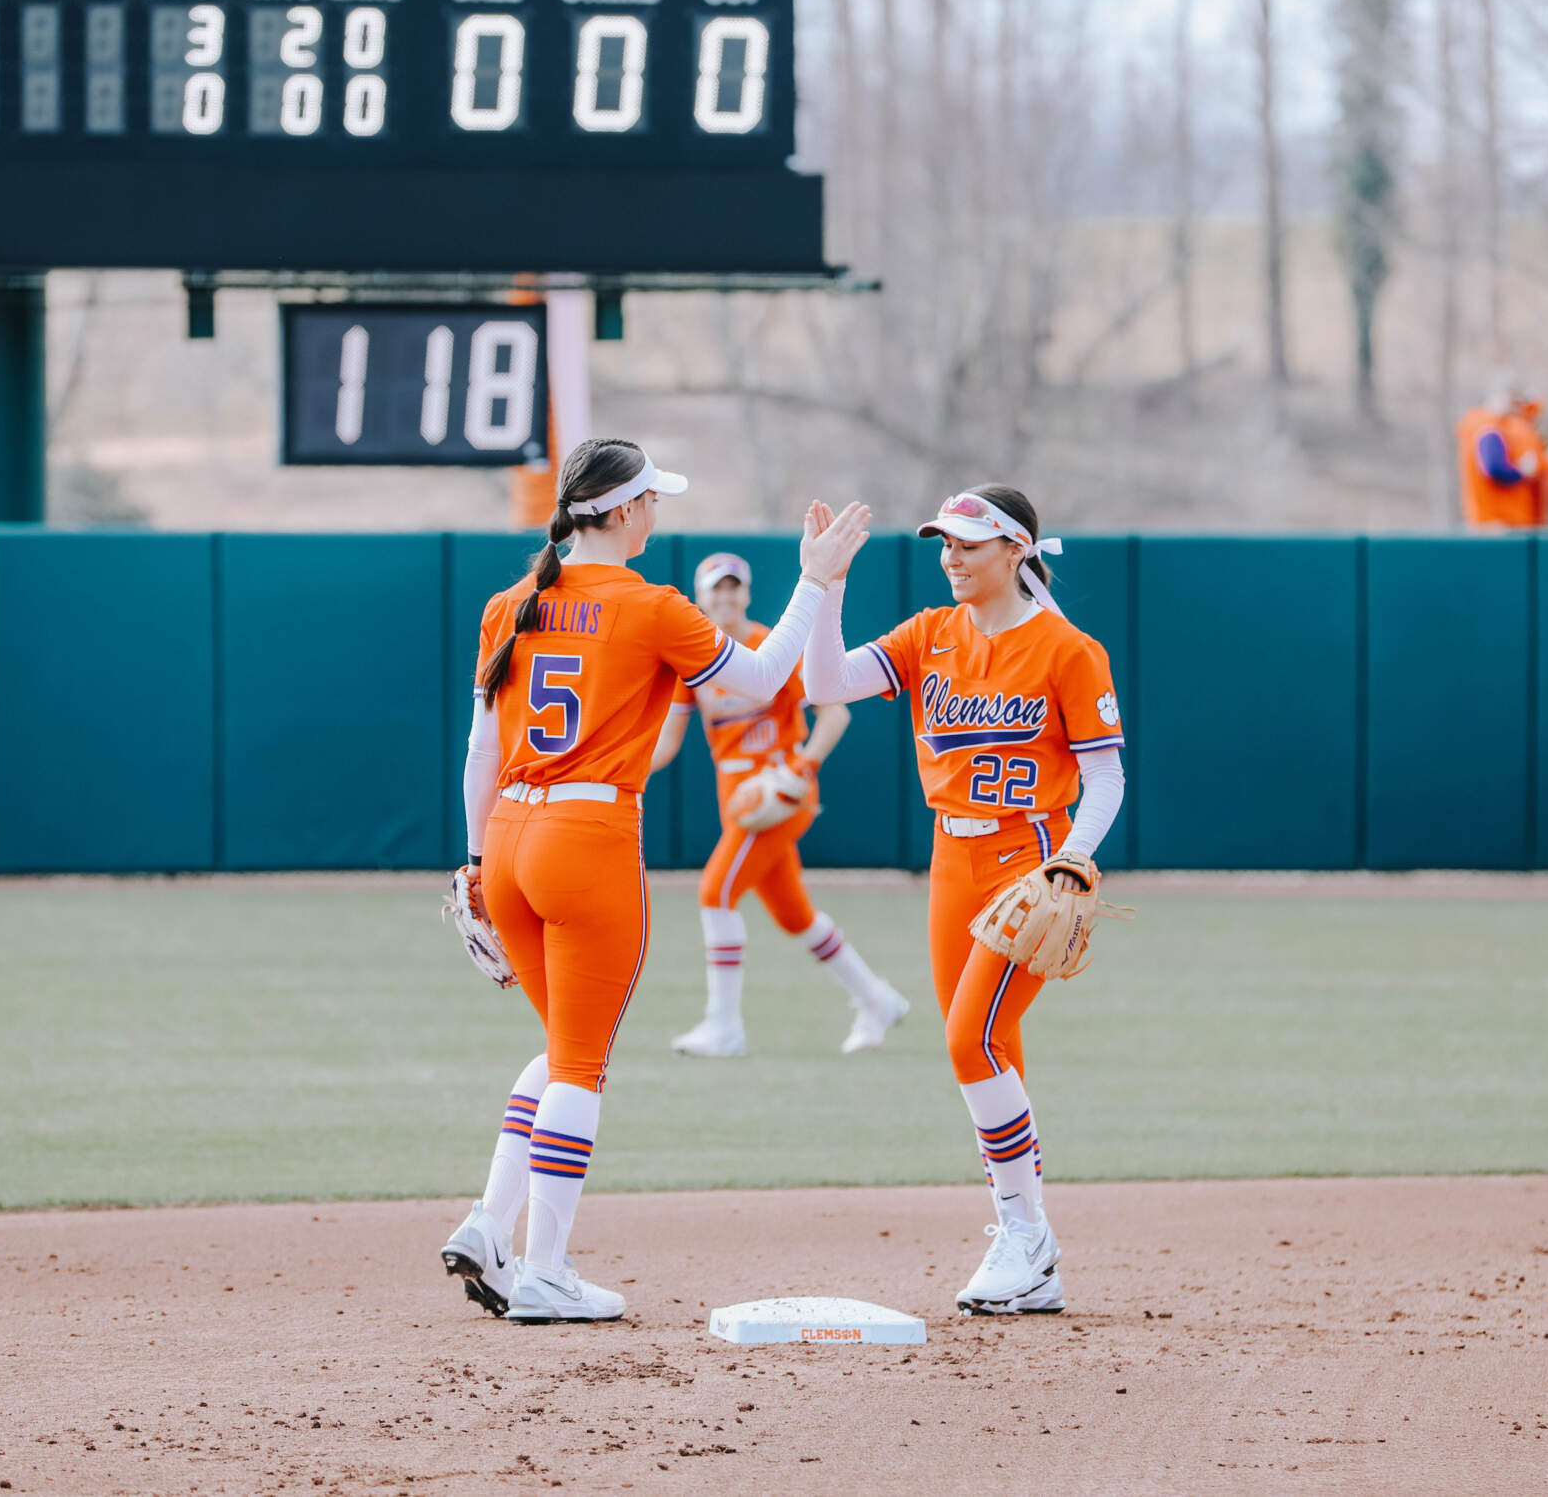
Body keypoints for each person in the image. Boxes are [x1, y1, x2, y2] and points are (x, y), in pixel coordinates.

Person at [439, 438, 870, 1324]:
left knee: (563, 1045)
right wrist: (814, 580)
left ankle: (488, 1223)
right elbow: (762, 676)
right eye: (653, 501)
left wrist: (476, 861)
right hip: (587, 835)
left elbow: (481, 748)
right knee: (581, 1063)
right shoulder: (650, 604)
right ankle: (545, 1270)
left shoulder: (509, 603)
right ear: (626, 509)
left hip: (509, 835)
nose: (657, 514)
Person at [799, 485, 1127, 1315]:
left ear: (1017, 550)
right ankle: (1030, 1254)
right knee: (991, 1045)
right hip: (952, 858)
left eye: (968, 544)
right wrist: (827, 583)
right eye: (944, 543)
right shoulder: (930, 633)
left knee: (968, 1037)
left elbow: (1105, 774)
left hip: (1030, 859)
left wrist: (1073, 860)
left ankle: (1027, 1236)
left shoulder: (1067, 648)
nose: (950, 558)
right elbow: (823, 681)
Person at [651, 551, 910, 1058]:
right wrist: (618, 773)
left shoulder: (772, 647)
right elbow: (666, 743)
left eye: (734, 587)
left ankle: (724, 1026)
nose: (726, 597)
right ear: (700, 598)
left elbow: (835, 714)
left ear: (746, 593)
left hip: (780, 794)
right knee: (795, 916)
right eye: (716, 589)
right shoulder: (694, 662)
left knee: (715, 893)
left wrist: (802, 766)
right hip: (738, 800)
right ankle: (876, 998)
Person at [1456, 378, 1544, 527]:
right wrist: (1522, 471)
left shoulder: (1487, 425)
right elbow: (1495, 467)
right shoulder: (1488, 426)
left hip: (1495, 518)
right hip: (1500, 520)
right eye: (1513, 401)